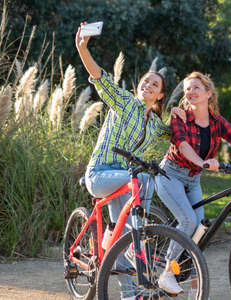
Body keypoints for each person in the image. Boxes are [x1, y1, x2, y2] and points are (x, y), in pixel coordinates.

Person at [75, 22, 183, 300]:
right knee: (145, 181)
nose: (148, 84)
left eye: (155, 84)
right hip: (100, 175)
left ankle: (129, 294)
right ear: (139, 86)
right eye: (145, 81)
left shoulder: (156, 125)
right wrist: (82, 49)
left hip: (125, 184)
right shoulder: (124, 102)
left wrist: (189, 114)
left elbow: (176, 134)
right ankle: (142, 226)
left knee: (123, 245)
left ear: (160, 95)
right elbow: (99, 77)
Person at [155, 71, 231, 295]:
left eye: (195, 88)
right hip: (171, 175)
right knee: (187, 220)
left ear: (208, 93)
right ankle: (166, 273)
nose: (190, 92)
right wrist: (203, 163)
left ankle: (197, 292)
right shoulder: (180, 117)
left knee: (200, 231)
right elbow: (183, 145)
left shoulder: (216, 122)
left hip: (193, 179)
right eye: (187, 90)